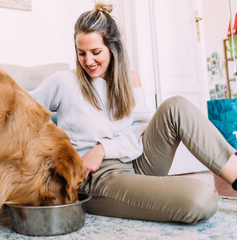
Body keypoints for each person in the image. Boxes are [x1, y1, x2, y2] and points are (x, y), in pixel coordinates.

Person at [29, 2, 237, 224]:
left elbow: (141, 128)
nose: (88, 61)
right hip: (99, 178)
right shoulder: (63, 81)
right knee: (201, 199)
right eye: (82, 53)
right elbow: (22, 108)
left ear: (113, 47)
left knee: (176, 106)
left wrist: (102, 148)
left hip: (139, 160)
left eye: (96, 52)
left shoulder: (130, 80)